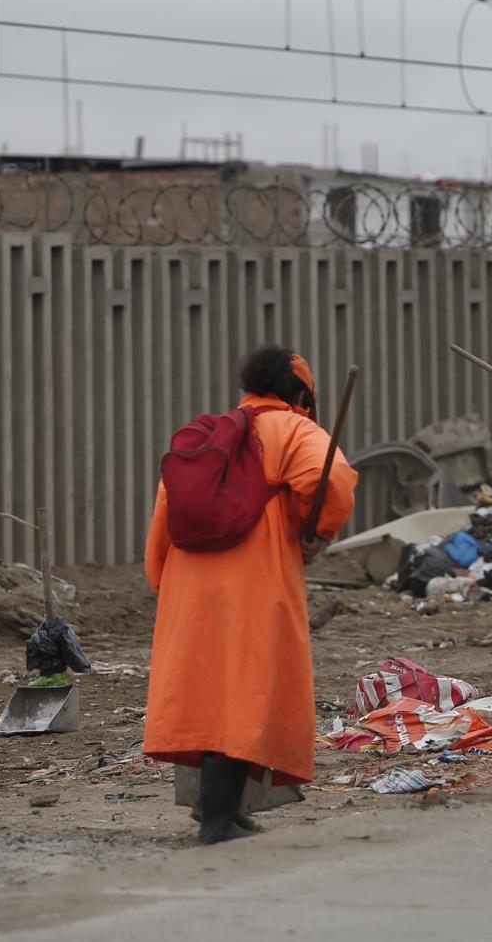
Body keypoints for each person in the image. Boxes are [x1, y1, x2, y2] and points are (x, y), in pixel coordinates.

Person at [143, 346, 358, 844]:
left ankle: (222, 809)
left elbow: (164, 511)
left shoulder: (210, 437)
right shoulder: (294, 429)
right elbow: (336, 483)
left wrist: (163, 581)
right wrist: (317, 531)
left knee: (208, 693)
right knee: (247, 693)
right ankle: (218, 820)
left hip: (189, 584)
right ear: (301, 394)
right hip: (253, 582)